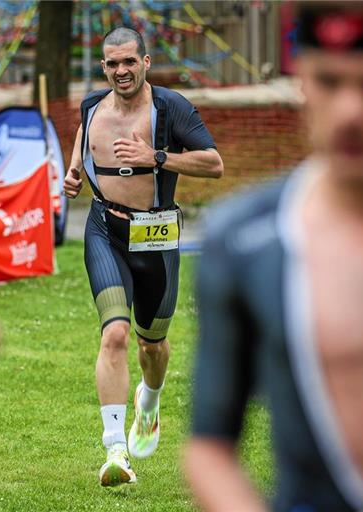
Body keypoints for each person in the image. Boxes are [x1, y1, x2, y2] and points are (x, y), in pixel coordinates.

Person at [183, 2, 363, 510]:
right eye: (328, 81)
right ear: (302, 81)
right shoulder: (242, 238)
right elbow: (210, 445)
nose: (352, 112)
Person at [63, 27, 224, 486]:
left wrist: (157, 156)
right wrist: (76, 171)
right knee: (113, 333)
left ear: (146, 62)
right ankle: (115, 451)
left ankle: (149, 402)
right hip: (104, 230)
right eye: (112, 64)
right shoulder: (92, 104)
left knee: (152, 345)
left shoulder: (170, 108)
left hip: (155, 235)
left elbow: (214, 163)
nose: (121, 71)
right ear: (103, 67)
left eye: (129, 62)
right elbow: (82, 132)